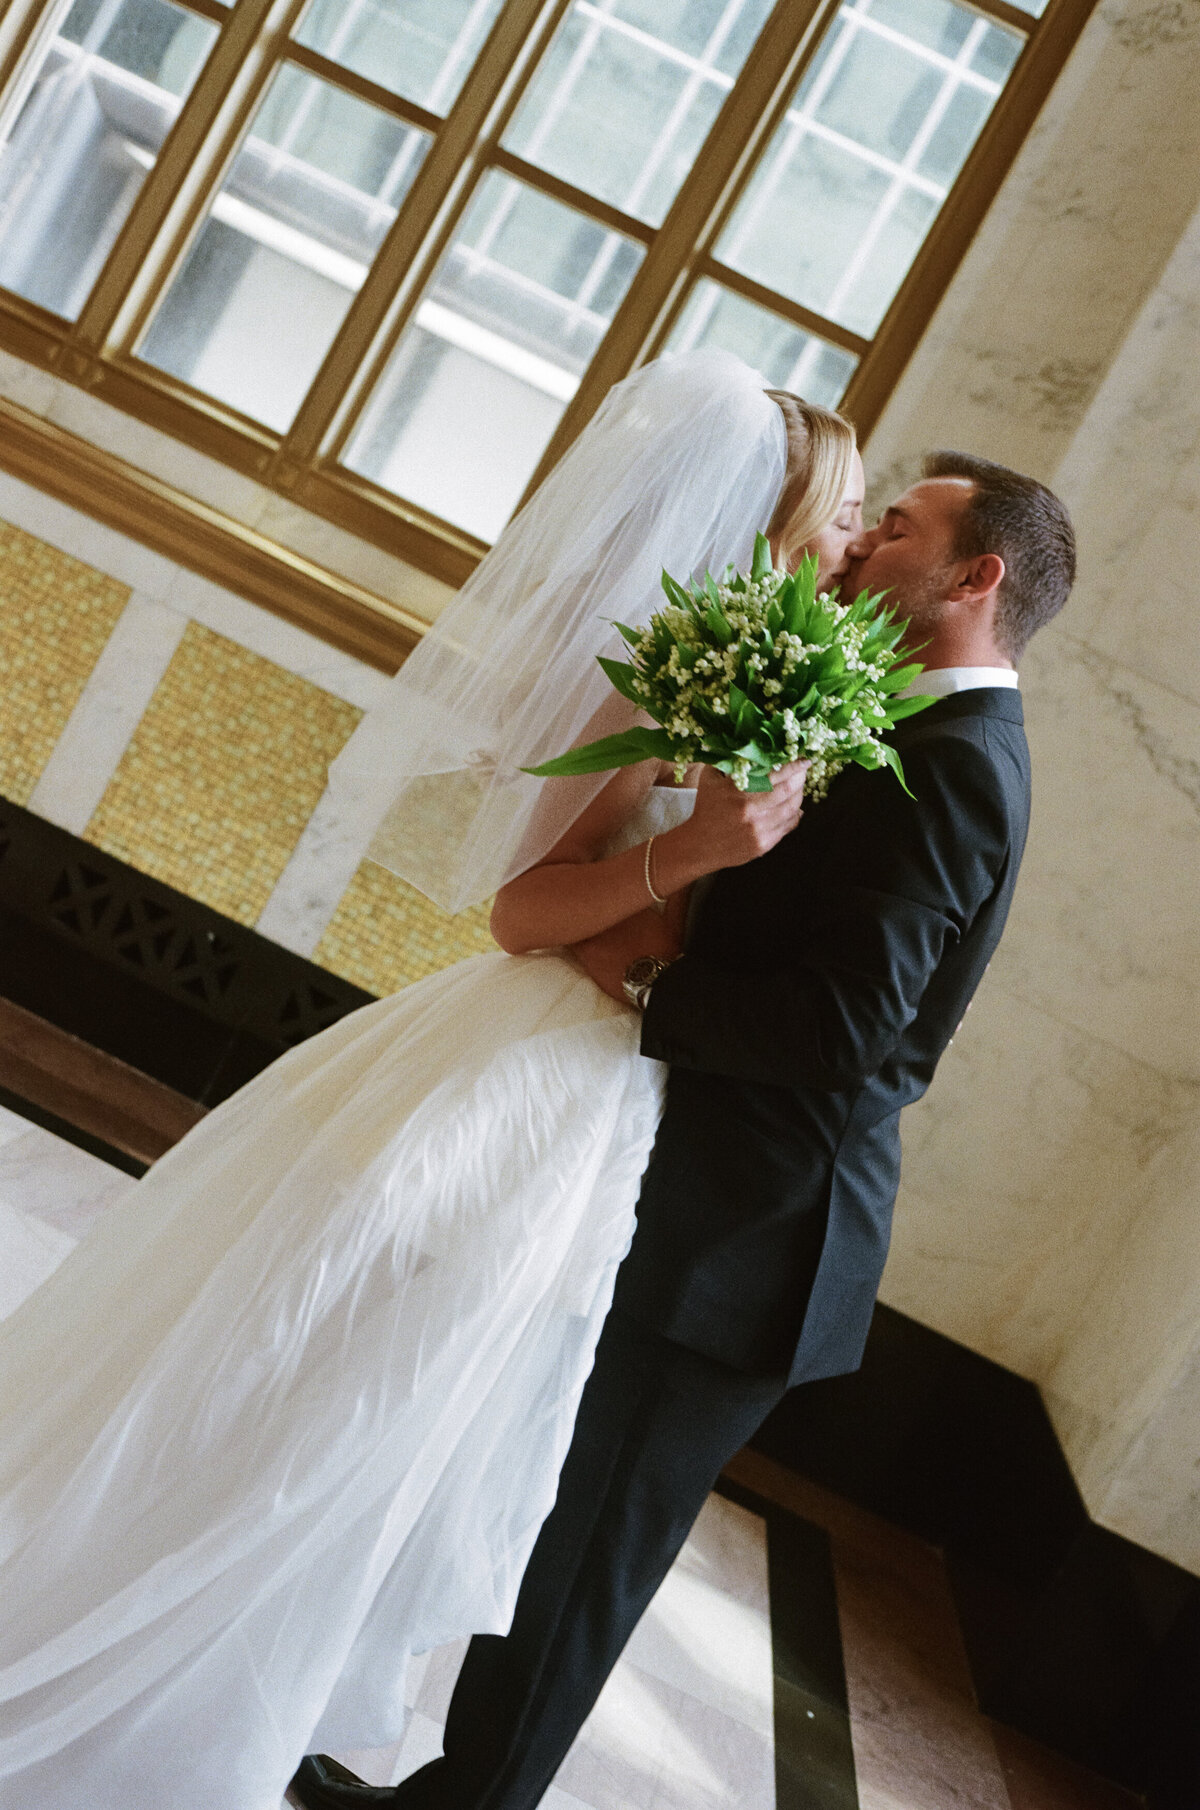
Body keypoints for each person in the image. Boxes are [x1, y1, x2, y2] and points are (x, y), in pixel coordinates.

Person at [0, 353, 863, 1810]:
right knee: (338, 1394)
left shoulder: (757, 677)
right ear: (768, 517)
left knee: (397, 1414)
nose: (850, 541)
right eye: (842, 511)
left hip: (593, 1092)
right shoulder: (670, 668)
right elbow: (528, 905)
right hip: (525, 1074)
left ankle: (239, 1686)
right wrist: (702, 859)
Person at [292, 451, 1076, 1810]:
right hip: (714, 1200)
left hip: (753, 1242)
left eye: (902, 525)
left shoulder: (957, 765)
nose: (872, 539)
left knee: (591, 1548)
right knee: (562, 1517)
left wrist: (647, 979)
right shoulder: (914, 728)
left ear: (976, 574)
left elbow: (852, 1034)